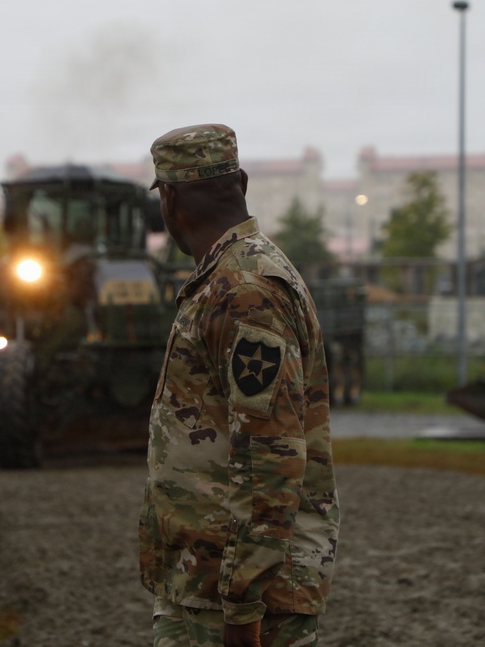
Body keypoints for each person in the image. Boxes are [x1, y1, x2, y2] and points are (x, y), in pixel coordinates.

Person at [139, 124, 340, 647]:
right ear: (242, 182)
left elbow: (269, 458)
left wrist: (243, 606)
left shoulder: (244, 290)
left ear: (171, 199)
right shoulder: (229, 278)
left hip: (239, 600)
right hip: (204, 582)